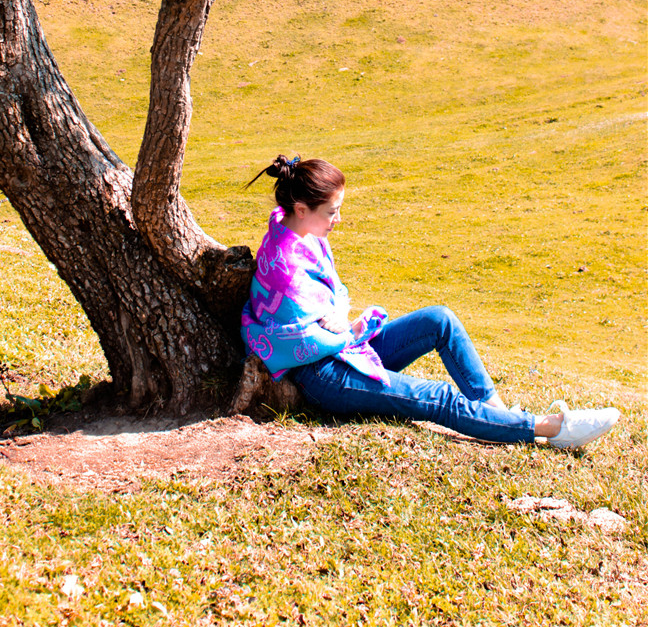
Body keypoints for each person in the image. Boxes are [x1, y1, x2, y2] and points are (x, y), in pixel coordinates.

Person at [242, 155, 620, 449]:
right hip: (323, 374)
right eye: (332, 211)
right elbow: (297, 340)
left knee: (440, 320)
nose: (338, 219)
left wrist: (340, 319)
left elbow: (334, 296)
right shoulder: (283, 264)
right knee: (435, 397)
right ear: (303, 209)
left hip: (345, 348)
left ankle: (496, 415)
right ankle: (551, 428)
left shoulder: (306, 234)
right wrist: (343, 329)